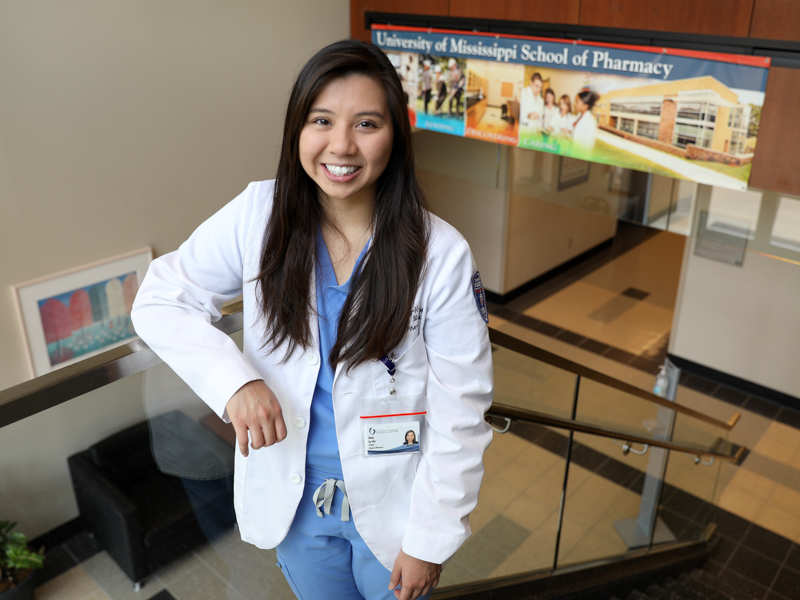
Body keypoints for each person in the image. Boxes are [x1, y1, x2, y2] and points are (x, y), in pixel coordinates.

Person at [131, 39, 493, 600]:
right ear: (297, 130)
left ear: (395, 135)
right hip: (295, 501)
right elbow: (160, 297)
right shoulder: (258, 215)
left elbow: (461, 409)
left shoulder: (440, 253)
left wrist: (430, 539)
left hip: (399, 509)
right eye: (321, 120)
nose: (341, 145)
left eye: (367, 123)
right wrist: (236, 382)